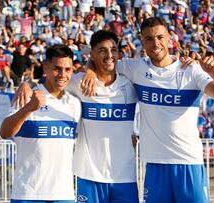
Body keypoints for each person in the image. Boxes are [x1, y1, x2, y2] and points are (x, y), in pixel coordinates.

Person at [83, 17, 214, 203]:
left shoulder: (191, 70)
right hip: (155, 165)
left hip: (188, 163)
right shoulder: (135, 68)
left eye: (160, 37)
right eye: (149, 38)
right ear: (142, 42)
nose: (156, 43)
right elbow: (104, 61)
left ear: (169, 39)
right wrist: (90, 72)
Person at [15, 30, 139, 203]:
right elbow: (52, 81)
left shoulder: (131, 84)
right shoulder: (78, 82)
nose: (109, 55)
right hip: (88, 175)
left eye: (113, 50)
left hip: (125, 177)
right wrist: (26, 85)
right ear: (92, 54)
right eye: (102, 50)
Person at [0, 45, 81, 203]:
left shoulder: (75, 104)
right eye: (57, 68)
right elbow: (4, 132)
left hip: (64, 195)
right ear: (45, 68)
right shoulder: (27, 95)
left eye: (67, 69)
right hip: (28, 194)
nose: (62, 74)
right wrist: (29, 108)